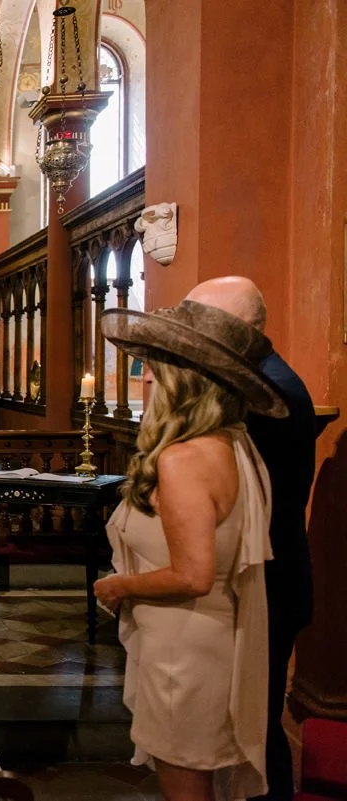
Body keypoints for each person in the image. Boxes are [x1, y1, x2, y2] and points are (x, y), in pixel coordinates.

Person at [94, 300, 288, 801]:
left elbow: (194, 573)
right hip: (205, 637)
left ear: (185, 382)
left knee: (186, 785)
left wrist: (120, 585)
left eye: (156, 371)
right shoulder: (232, 444)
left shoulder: (183, 460)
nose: (148, 382)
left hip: (185, 648)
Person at [185, 277, 317, 801]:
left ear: (236, 327)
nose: (189, 335)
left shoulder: (264, 395)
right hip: (267, 578)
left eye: (200, 323)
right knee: (250, 730)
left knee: (254, 737)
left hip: (267, 583)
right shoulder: (258, 380)